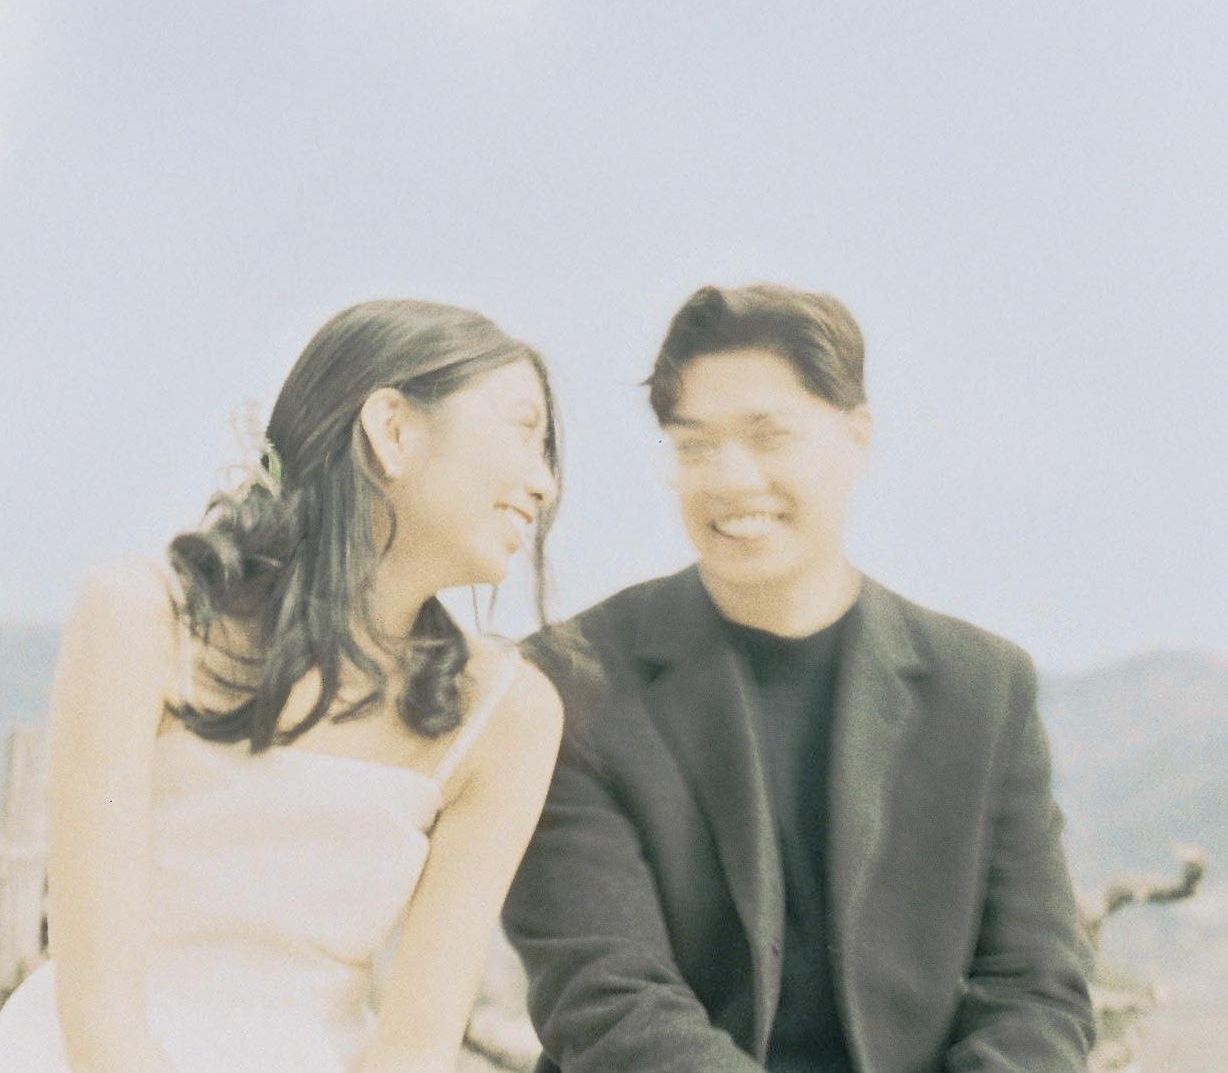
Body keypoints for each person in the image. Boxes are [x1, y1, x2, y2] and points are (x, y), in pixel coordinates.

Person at [503, 283, 1096, 1072]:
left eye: (769, 436)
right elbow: (605, 998)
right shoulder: (570, 679)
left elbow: (1036, 991)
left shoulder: (982, 688)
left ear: (858, 439)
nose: (731, 478)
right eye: (694, 446)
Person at [0, 299, 564, 1073]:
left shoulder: (507, 713)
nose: (544, 483)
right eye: (524, 431)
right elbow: (100, 1016)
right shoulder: (142, 617)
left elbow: (415, 1047)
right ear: (393, 430)